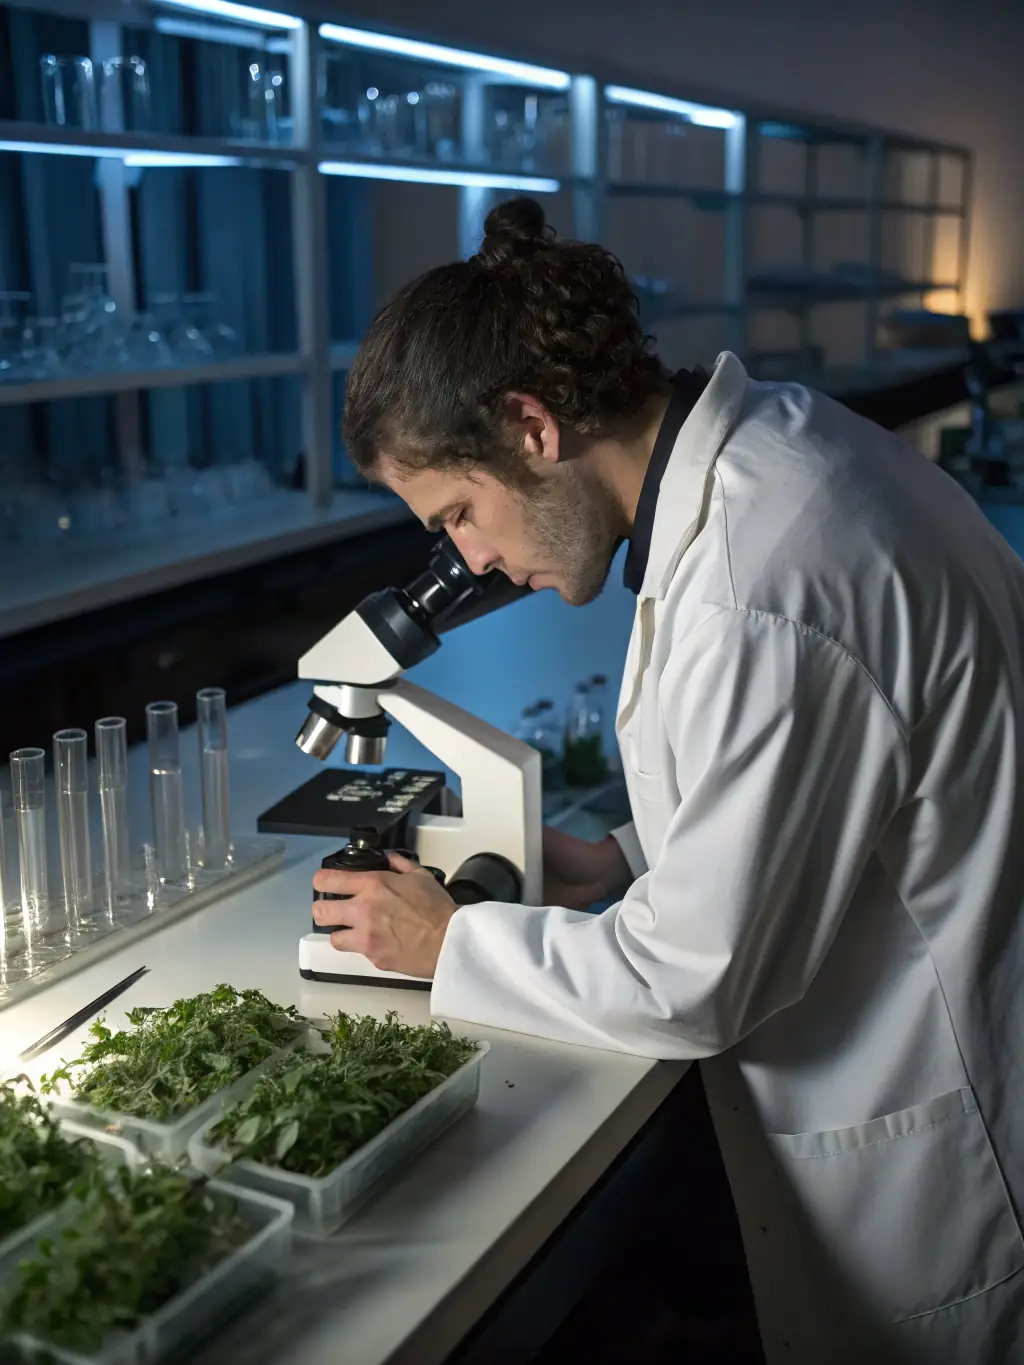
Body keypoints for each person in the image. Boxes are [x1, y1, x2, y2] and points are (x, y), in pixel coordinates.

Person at [312, 197, 1024, 1364]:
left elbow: (694, 982)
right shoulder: (783, 454)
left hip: (949, 1164)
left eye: (459, 514)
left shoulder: (758, 585)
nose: (469, 558)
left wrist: (450, 943)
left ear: (531, 426)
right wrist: (622, 862)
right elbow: (845, 772)